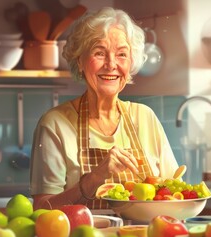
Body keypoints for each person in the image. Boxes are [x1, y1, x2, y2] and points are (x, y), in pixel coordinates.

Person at [29, 7, 179, 210]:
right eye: (99, 53)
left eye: (121, 55)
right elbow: (42, 209)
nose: (111, 64)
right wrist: (95, 178)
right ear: (80, 61)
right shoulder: (54, 124)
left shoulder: (145, 117)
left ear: (131, 63)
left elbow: (172, 193)